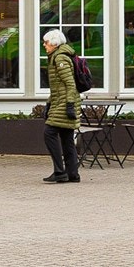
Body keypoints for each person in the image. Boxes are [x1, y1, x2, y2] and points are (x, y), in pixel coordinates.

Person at [42, 28, 81, 184]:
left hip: (65, 103)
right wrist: (49, 104)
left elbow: (70, 84)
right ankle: (73, 174)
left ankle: (60, 172)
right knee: (66, 138)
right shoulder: (61, 56)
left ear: (54, 43)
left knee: (49, 133)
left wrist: (70, 105)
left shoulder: (59, 59)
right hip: (62, 101)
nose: (44, 45)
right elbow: (57, 87)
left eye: (46, 42)